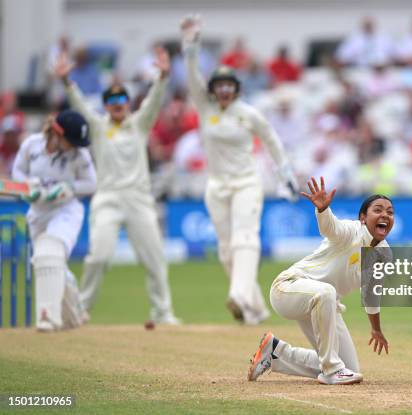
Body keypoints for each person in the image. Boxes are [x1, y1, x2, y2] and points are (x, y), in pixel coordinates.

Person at [180, 15, 298, 325]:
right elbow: (192, 76)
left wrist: (285, 173)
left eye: (228, 85)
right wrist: (190, 45)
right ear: (213, 89)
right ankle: (255, 310)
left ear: (236, 88)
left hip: (247, 182)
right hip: (217, 185)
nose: (223, 91)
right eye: (219, 85)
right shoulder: (205, 110)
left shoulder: (248, 113)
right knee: (225, 251)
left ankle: (239, 296)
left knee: (245, 238)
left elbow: (271, 139)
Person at [52, 48, 181, 325]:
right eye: (112, 101)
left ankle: (163, 313)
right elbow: (80, 107)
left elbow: (153, 102)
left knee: (155, 260)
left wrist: (163, 77)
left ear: (128, 102)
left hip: (139, 200)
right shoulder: (98, 127)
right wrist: (66, 82)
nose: (118, 104)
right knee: (98, 258)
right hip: (108, 199)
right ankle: (79, 311)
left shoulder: (138, 124)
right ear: (106, 105)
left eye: (122, 99)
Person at [247, 177, 392, 385]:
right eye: (378, 210)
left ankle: (276, 352)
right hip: (288, 288)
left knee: (350, 369)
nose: (385, 215)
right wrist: (323, 210)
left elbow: (371, 296)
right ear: (362, 218)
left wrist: (376, 329)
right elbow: (330, 228)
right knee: (326, 292)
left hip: (323, 304)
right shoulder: (351, 231)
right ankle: (332, 370)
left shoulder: (384, 255)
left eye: (390, 212)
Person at [12, 110, 96, 331]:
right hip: (38, 212)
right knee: (48, 260)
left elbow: (91, 184)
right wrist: (29, 187)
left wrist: (68, 188)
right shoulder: (32, 145)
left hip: (66, 210)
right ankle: (74, 313)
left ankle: (48, 317)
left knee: (49, 250)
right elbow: (17, 173)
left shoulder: (79, 154)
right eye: (72, 140)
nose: (75, 146)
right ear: (57, 133)